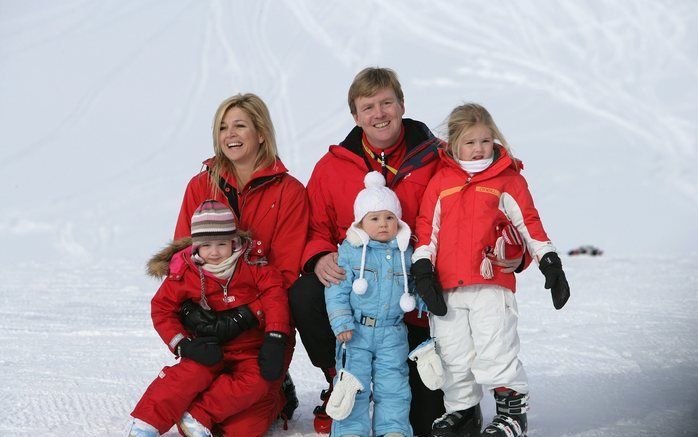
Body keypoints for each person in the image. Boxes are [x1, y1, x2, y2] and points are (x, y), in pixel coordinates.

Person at [289, 67, 446, 435]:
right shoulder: (332, 168)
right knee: (306, 292)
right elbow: (313, 228)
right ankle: (341, 377)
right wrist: (319, 256)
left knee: (426, 424)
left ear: (402, 105)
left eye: (386, 102)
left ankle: (452, 393)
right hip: (357, 312)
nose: (379, 113)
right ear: (356, 116)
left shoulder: (436, 157)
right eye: (368, 106)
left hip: (411, 301)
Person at [411, 103, 571, 437]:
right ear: (454, 144)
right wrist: (423, 269)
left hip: (490, 284)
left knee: (495, 348)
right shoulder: (441, 181)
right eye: (470, 142)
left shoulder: (507, 179)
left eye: (485, 140)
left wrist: (549, 261)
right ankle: (463, 413)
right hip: (448, 289)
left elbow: (529, 223)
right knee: (453, 354)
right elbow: (427, 230)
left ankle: (512, 415)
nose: (479, 148)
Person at [173, 93, 309, 432]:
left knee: (239, 429)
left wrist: (248, 315)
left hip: (260, 327)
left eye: (239, 125)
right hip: (209, 320)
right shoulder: (201, 185)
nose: (229, 134)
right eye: (222, 127)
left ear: (260, 133)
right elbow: (181, 255)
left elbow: (287, 272)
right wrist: (191, 313)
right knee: (189, 408)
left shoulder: (289, 192)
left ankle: (276, 393)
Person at [127, 200, 292, 437]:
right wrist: (183, 344)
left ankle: (197, 416)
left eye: (222, 243)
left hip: (248, 350)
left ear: (234, 242)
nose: (214, 252)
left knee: (257, 383)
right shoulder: (185, 271)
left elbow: (274, 297)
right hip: (207, 348)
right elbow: (162, 308)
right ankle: (146, 423)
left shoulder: (253, 265)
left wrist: (275, 336)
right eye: (206, 245)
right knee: (188, 375)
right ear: (195, 245)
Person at [324, 172, 417, 437]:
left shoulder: (405, 253)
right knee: (353, 382)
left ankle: (393, 430)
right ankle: (350, 430)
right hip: (356, 332)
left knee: (394, 385)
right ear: (361, 224)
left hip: (393, 332)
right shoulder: (350, 252)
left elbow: (415, 287)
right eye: (374, 219)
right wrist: (341, 322)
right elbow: (337, 289)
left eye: (389, 217)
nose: (383, 224)